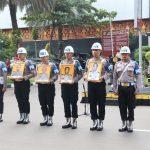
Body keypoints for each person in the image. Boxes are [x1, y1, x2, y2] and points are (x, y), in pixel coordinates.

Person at [113, 46, 141, 133]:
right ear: (121, 55)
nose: (124, 55)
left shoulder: (134, 64)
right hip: (121, 88)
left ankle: (130, 123)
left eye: (126, 54)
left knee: (131, 106)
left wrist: (138, 88)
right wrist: (115, 88)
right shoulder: (117, 64)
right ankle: (124, 123)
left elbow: (138, 76)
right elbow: (114, 77)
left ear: (129, 54)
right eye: (123, 54)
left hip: (130, 88)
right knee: (122, 106)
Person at [84, 42, 111, 131]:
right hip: (91, 84)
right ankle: (94, 121)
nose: (95, 51)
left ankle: (100, 121)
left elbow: (109, 73)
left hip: (100, 84)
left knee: (101, 103)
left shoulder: (104, 61)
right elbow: (86, 72)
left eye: (97, 50)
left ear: (100, 51)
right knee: (92, 103)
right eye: (93, 50)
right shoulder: (89, 61)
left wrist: (102, 78)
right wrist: (85, 76)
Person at [10, 47, 35, 124]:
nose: (20, 55)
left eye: (22, 54)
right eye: (19, 54)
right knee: (19, 99)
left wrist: (26, 77)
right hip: (17, 83)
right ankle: (21, 116)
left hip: (24, 83)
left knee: (25, 99)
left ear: (25, 54)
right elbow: (12, 72)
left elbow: (34, 73)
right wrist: (12, 77)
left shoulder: (29, 62)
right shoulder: (15, 63)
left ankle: (26, 116)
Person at [59, 46, 83, 129]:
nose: (67, 54)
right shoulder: (62, 62)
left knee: (73, 103)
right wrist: (60, 79)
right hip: (64, 86)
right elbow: (60, 74)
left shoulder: (76, 62)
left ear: (72, 53)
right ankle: (68, 120)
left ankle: (74, 121)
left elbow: (80, 74)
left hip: (73, 86)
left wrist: (75, 80)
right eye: (66, 53)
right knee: (66, 103)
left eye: (69, 53)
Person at [36, 49, 58, 126]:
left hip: (49, 86)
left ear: (47, 56)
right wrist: (37, 80)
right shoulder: (38, 65)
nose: (43, 58)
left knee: (50, 103)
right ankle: (45, 118)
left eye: (44, 56)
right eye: (41, 57)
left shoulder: (53, 65)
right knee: (42, 103)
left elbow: (56, 75)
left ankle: (50, 118)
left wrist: (51, 80)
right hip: (41, 86)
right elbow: (37, 75)